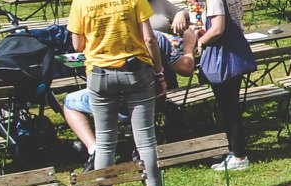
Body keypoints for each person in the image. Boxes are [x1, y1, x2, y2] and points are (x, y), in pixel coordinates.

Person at [68, 0, 167, 186]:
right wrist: (159, 73)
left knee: (105, 142)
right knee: (146, 140)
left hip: (99, 75)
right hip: (136, 71)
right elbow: (149, 38)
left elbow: (77, 44)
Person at [62, 28, 197, 160]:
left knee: (69, 102)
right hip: (151, 103)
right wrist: (189, 46)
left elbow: (77, 46)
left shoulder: (96, 41)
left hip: (111, 103)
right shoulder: (156, 38)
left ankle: (94, 149)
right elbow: (186, 68)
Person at [184, 0, 253, 168]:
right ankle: (236, 151)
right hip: (236, 48)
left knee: (228, 107)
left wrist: (199, 43)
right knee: (231, 104)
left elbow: (218, 28)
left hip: (223, 53)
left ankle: (239, 155)